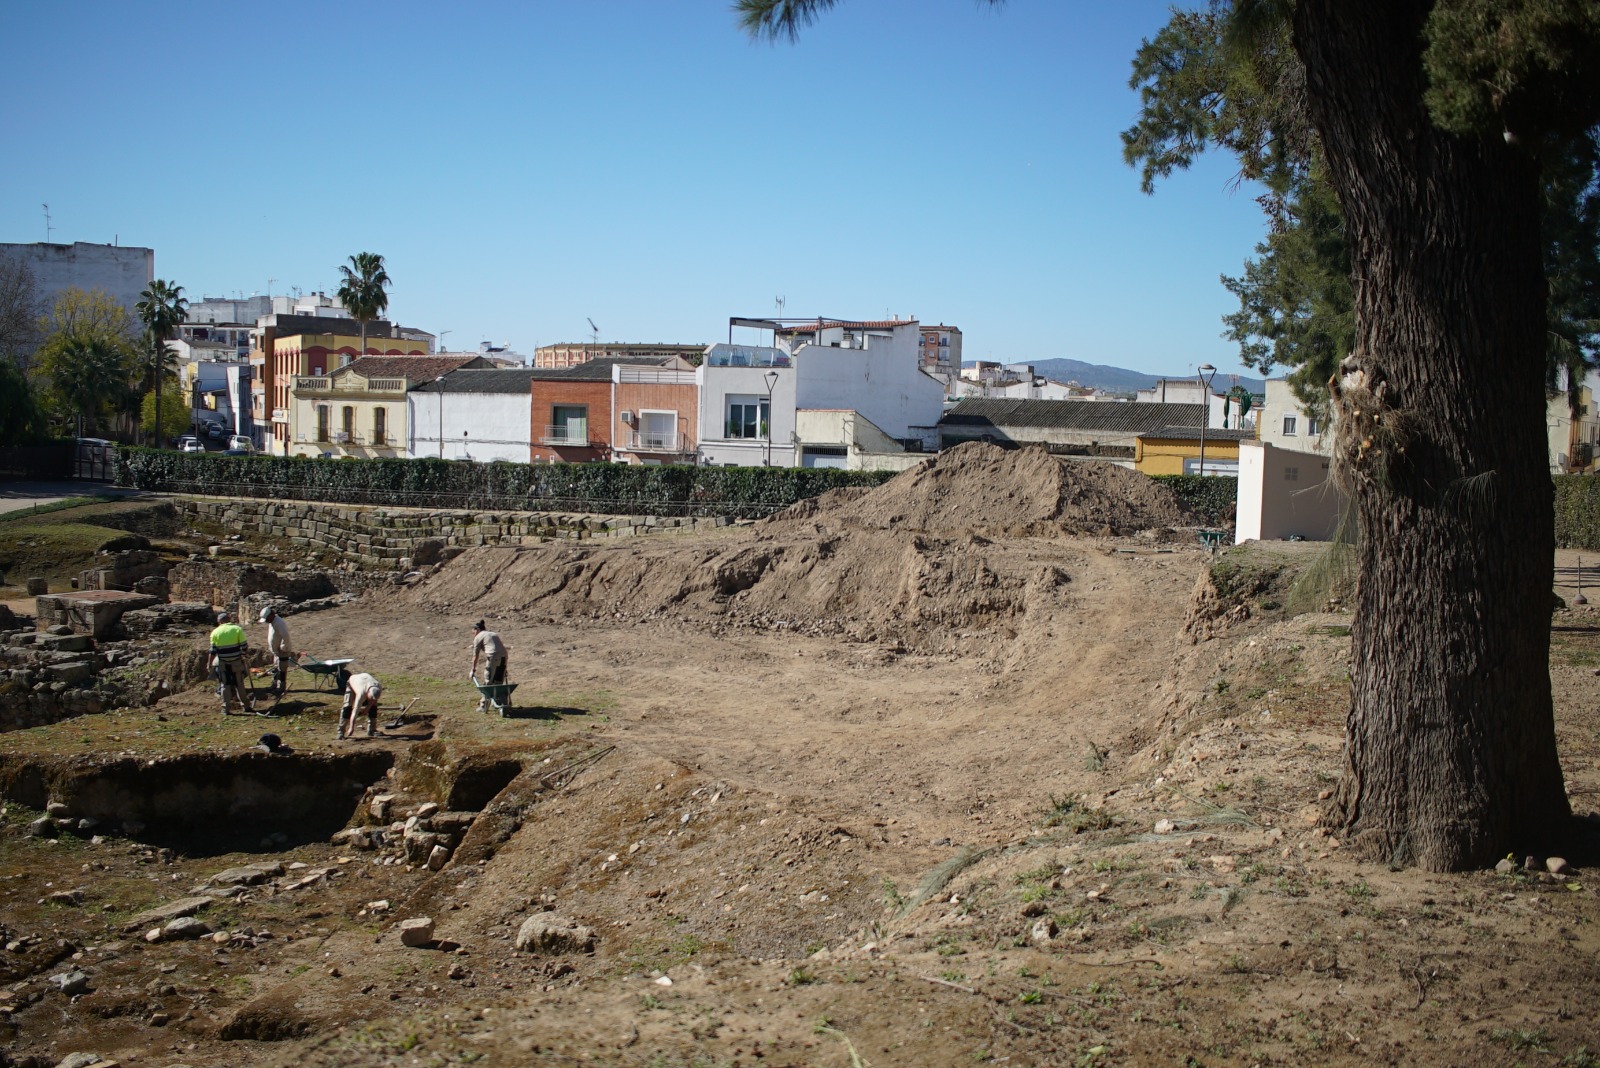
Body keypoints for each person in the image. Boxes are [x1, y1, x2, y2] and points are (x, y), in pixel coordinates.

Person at [208, 611, 250, 715]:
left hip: (223, 663)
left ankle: (225, 709)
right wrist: (243, 654)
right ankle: (246, 706)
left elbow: (212, 651)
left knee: (224, 685)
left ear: (219, 621)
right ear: (229, 619)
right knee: (239, 684)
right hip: (236, 661)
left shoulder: (215, 632)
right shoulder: (237, 629)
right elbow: (244, 646)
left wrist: (209, 664)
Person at [469, 620, 508, 712]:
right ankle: (501, 702)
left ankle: (483, 706)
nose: (473, 634)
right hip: (504, 656)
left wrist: (472, 670)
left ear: (477, 630)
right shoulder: (492, 633)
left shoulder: (478, 636)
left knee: (488, 681)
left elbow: (475, 656)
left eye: (473, 631)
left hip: (493, 656)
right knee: (498, 681)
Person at [259, 606, 296, 692]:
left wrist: (283, 647)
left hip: (282, 651)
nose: (266, 621)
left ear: (271, 615)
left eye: (267, 618)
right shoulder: (272, 622)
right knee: (276, 668)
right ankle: (275, 684)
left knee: (282, 669)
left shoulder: (279, 622)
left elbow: (286, 636)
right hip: (277, 652)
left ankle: (281, 687)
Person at [339, 671, 384, 740]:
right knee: (347, 708)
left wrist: (368, 708)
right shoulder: (361, 693)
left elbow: (373, 700)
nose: (371, 699)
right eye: (370, 698)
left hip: (364, 680)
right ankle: (341, 732)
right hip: (352, 682)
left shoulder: (379, 687)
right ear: (368, 693)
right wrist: (351, 727)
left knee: (373, 707)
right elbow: (355, 711)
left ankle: (372, 730)